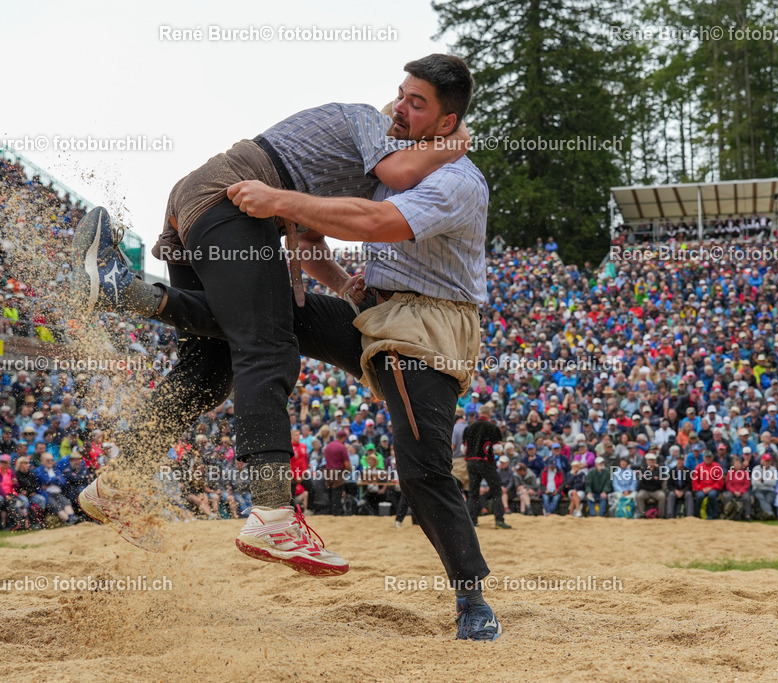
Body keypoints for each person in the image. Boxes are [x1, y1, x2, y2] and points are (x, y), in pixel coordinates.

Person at [81, 55, 501, 639]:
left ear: (448, 120)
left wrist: (282, 204)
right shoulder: (380, 148)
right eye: (400, 96)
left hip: (425, 325)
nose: (400, 109)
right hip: (373, 308)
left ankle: (471, 599)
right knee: (259, 337)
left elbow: (374, 221)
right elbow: (313, 230)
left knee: (421, 468)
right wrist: (336, 277)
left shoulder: (456, 178)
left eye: (417, 103)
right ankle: (134, 312)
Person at [462, 404, 510, 528]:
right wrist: (500, 451)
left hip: (471, 462)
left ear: (479, 413)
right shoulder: (492, 428)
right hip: (485, 462)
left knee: (473, 492)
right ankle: (499, 520)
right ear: (489, 414)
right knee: (496, 490)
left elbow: (463, 449)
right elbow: (497, 449)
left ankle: (472, 520)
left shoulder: (469, 428)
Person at [693, 450, 723, 519]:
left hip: (713, 488)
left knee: (712, 495)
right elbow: (695, 482)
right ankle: (697, 515)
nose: (708, 459)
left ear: (712, 458)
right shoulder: (698, 467)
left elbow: (720, 481)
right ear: (703, 458)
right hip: (701, 489)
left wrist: (711, 488)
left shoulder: (717, 466)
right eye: (706, 457)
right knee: (699, 496)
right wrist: (701, 488)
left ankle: (714, 515)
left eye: (709, 457)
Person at [635, 452, 665, 518]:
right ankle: (642, 515)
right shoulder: (643, 469)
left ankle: (661, 515)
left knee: (662, 496)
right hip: (645, 490)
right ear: (647, 461)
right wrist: (654, 478)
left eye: (652, 460)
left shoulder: (659, 470)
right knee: (639, 496)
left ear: (655, 461)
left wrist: (647, 478)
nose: (651, 461)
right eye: (649, 460)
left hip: (656, 490)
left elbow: (660, 481)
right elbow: (641, 480)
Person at [751, 453, 778, 519]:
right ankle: (770, 513)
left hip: (769, 490)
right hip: (758, 489)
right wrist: (767, 482)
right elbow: (754, 482)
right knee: (761, 498)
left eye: (769, 461)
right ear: (761, 461)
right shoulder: (756, 469)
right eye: (766, 460)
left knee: (769, 499)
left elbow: (773, 483)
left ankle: (765, 515)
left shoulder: (773, 469)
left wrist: (762, 481)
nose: (767, 462)